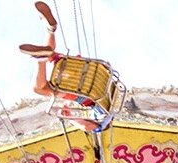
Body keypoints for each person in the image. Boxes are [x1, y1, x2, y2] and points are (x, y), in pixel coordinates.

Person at [18, 1, 115, 132]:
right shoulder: (101, 122)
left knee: (51, 55)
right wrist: (71, 118)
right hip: (85, 94)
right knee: (39, 88)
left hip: (89, 73)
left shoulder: (112, 99)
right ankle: (40, 60)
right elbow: (86, 126)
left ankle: (50, 30)